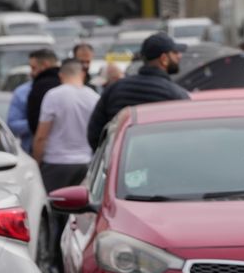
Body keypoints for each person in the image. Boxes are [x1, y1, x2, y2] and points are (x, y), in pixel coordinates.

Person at [86, 33, 188, 148]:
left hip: (121, 163)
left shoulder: (114, 89)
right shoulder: (176, 95)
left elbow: (94, 135)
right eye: (175, 53)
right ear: (164, 59)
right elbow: (185, 139)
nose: (179, 56)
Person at [33, 59, 100, 189]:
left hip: (55, 162)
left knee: (52, 205)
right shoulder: (94, 97)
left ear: (61, 75)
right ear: (82, 74)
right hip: (85, 162)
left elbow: (41, 136)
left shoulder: (53, 96)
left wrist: (36, 163)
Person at [26, 49, 61, 134]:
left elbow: (35, 125)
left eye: (33, 68)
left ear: (45, 65)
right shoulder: (67, 82)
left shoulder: (39, 88)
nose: (31, 73)